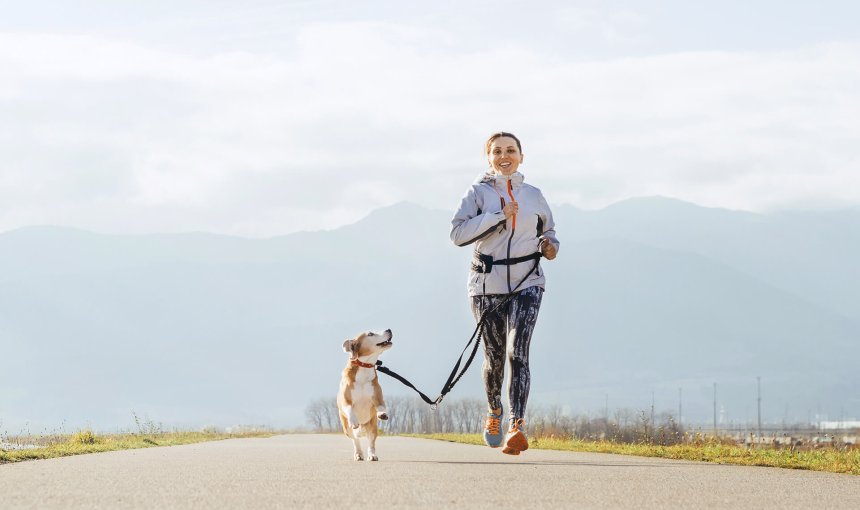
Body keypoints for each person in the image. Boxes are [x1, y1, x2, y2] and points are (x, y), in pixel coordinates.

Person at [450, 132, 559, 455]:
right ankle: (495, 411)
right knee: (495, 358)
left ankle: (517, 424)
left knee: (518, 352)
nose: (504, 156)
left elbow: (549, 230)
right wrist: (499, 216)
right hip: (487, 284)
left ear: (521, 157)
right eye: (497, 151)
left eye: (510, 150)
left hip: (528, 282)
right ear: (489, 158)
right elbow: (457, 234)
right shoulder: (477, 193)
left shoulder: (535, 195)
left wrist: (550, 246)